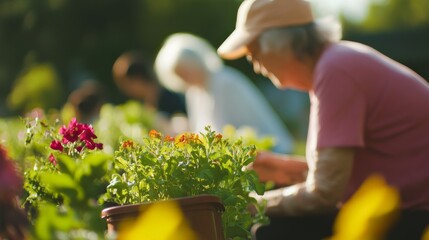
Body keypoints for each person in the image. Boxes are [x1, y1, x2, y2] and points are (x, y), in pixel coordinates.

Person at [217, 0, 429, 239]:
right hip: (405, 206)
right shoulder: (336, 62)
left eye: (253, 51)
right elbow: (342, 173)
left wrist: (253, 203)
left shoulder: (336, 71)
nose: (255, 64)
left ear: (281, 43)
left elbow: (325, 193)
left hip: (416, 214)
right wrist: (288, 170)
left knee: (273, 230)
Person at [154, 33, 294, 153]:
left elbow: (234, 129)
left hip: (269, 151)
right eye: (180, 76)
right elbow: (202, 131)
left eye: (185, 72)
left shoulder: (225, 82)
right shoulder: (194, 93)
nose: (185, 79)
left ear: (195, 62)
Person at [112, 51, 188, 134]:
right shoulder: (142, 105)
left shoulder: (173, 96)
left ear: (138, 79)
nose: (125, 90)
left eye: (126, 84)